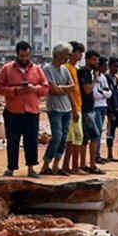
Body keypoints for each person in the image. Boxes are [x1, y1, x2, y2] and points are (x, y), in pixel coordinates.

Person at [0, 41, 49, 177]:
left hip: (31, 111)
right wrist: (15, 90)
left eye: (27, 56)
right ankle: (11, 167)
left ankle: (31, 168)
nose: (24, 59)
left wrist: (34, 88)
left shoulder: (37, 69)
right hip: (13, 111)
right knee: (12, 141)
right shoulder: (7, 69)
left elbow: (45, 88)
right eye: (22, 56)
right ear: (17, 54)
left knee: (31, 141)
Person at [41, 42, 75, 174]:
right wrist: (63, 89)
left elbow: (71, 87)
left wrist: (60, 88)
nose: (68, 57)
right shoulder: (47, 69)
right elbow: (53, 90)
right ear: (59, 54)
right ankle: (46, 164)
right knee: (56, 136)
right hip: (54, 108)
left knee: (63, 138)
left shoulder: (65, 69)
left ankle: (56, 165)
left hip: (66, 108)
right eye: (67, 54)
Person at [61, 42, 86, 174]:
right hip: (73, 108)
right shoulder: (67, 68)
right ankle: (72, 167)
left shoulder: (73, 69)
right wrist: (74, 109)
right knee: (75, 137)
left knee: (74, 138)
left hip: (77, 106)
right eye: (79, 52)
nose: (81, 55)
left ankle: (69, 166)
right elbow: (69, 91)